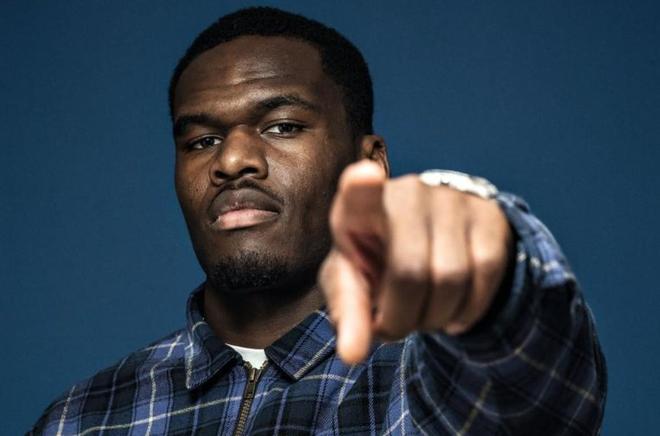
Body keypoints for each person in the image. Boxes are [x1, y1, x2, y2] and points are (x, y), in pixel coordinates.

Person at [30, 6, 606, 435]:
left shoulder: (436, 383)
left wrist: (488, 258)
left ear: (369, 164)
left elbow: (533, 373)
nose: (231, 160)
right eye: (202, 140)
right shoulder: (81, 419)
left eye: (282, 126)